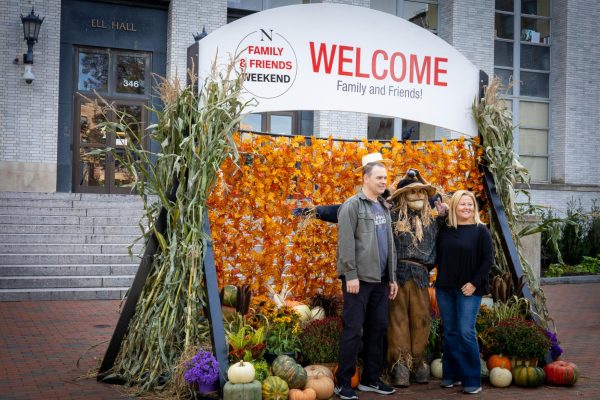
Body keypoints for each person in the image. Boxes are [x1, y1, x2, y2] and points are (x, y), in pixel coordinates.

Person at [335, 152, 398, 400]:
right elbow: (346, 243)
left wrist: (391, 277)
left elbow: (389, 244)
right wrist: (350, 274)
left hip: (381, 281)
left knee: (378, 329)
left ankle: (371, 379)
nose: (384, 182)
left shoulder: (383, 205)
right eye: (379, 177)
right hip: (358, 281)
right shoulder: (352, 205)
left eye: (385, 177)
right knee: (353, 331)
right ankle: (343, 382)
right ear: (366, 178)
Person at [385, 169, 444, 387]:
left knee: (421, 320)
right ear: (401, 195)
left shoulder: (433, 221)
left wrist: (421, 178)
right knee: (397, 320)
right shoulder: (391, 217)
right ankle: (401, 365)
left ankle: (418, 362)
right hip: (396, 275)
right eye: (411, 191)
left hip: (421, 276)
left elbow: (441, 202)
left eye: (421, 191)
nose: (417, 195)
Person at [435, 190, 493, 395]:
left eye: (470, 204)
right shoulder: (445, 229)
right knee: (450, 332)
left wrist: (474, 284)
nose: (467, 207)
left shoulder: (481, 231)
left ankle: (471, 379)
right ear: (454, 207)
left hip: (468, 290)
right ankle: (451, 375)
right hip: (444, 289)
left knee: (466, 332)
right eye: (462, 204)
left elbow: (488, 260)